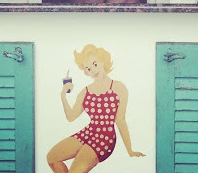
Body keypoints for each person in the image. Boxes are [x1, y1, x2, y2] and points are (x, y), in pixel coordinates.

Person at [47, 44, 144, 173]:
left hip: (105, 137)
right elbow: (71, 117)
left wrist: (129, 150)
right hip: (88, 132)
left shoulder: (119, 87)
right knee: (52, 158)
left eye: (95, 64)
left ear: (103, 61)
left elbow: (120, 120)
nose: (92, 71)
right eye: (88, 68)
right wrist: (63, 95)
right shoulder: (85, 91)